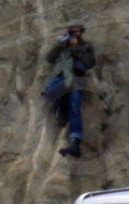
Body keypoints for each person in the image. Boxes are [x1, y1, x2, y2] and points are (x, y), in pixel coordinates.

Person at [44, 22, 95, 158]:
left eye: (78, 31)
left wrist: (77, 49)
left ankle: (75, 143)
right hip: (60, 77)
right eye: (73, 31)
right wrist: (61, 43)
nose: (76, 34)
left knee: (75, 107)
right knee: (50, 90)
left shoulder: (86, 46)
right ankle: (59, 108)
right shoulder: (62, 45)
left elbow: (90, 63)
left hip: (77, 80)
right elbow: (49, 58)